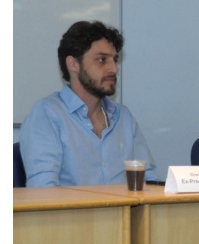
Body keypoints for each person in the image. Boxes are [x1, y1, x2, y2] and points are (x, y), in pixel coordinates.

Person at [20, 20, 157, 187]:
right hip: (73, 213)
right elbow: (42, 191)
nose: (113, 68)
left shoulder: (124, 117)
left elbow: (148, 181)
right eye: (102, 60)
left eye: (115, 60)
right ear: (73, 64)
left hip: (123, 213)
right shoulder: (47, 114)